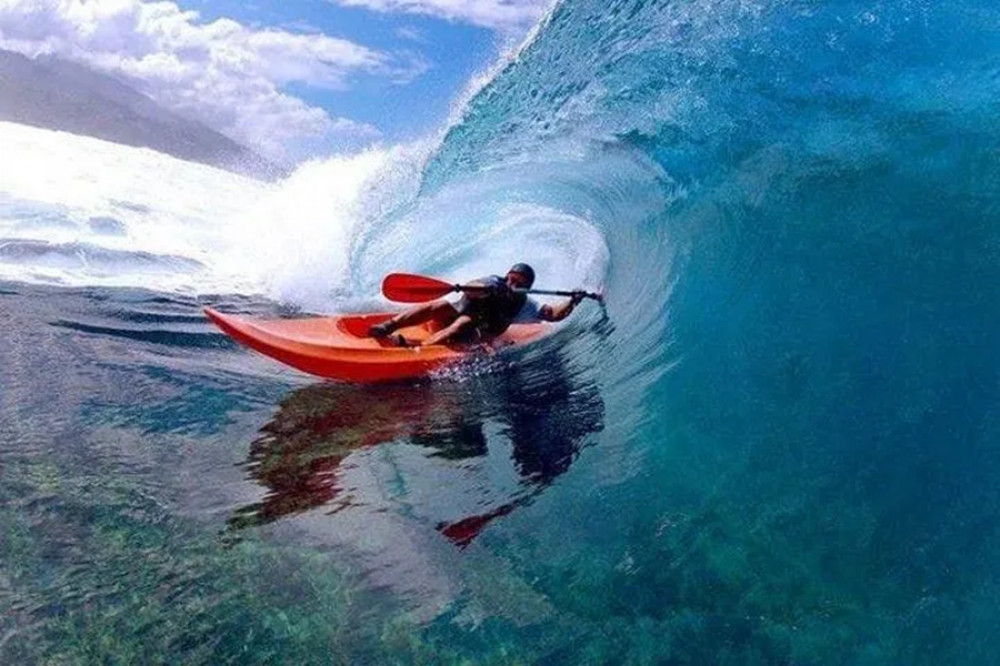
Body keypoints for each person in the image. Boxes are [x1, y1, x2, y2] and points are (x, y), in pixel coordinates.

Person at [369, 263, 586, 347]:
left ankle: (415, 349)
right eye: (510, 278)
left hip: (471, 335)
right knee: (439, 306)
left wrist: (572, 301)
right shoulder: (492, 282)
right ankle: (389, 326)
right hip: (449, 320)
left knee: (462, 323)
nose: (512, 283)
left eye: (518, 282)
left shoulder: (525, 304)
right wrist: (485, 290)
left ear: (527, 286)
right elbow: (471, 287)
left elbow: (552, 315)